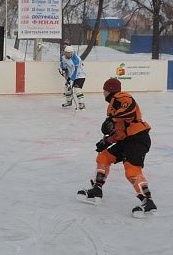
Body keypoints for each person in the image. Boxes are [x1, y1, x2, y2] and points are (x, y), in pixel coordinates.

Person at [77, 78, 157, 217]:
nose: (103, 93)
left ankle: (148, 201)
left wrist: (112, 119)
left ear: (109, 90)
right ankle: (97, 189)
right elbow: (120, 132)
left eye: (104, 90)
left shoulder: (121, 96)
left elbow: (130, 107)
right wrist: (106, 141)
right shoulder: (112, 106)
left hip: (138, 139)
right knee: (104, 157)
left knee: (132, 171)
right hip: (127, 140)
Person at [59, 45, 86, 109]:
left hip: (80, 75)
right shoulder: (63, 57)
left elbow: (75, 72)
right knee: (67, 88)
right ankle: (69, 102)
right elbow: (63, 65)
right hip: (71, 74)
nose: (67, 54)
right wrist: (62, 69)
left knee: (77, 89)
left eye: (69, 53)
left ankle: (81, 104)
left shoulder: (76, 60)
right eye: (66, 53)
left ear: (72, 53)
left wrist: (71, 81)